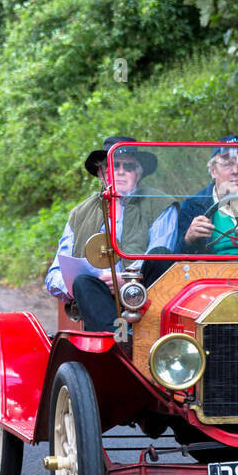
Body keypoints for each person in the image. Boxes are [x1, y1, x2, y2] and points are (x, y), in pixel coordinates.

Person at [45, 136, 176, 331]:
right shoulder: (80, 213)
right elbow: (54, 275)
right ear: (102, 173)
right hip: (96, 297)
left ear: (138, 174)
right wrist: (81, 285)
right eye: (114, 166)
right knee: (82, 282)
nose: (121, 172)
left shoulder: (161, 204)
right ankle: (118, 343)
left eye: (128, 167)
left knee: (162, 256)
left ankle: (137, 335)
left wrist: (127, 280)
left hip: (145, 293)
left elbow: (159, 255)